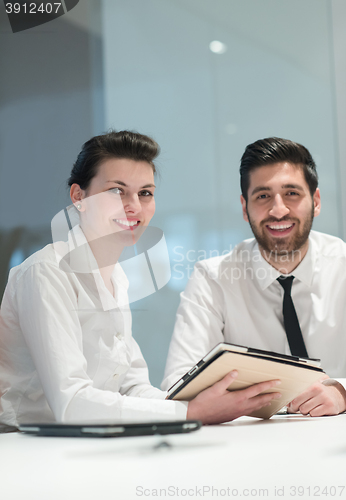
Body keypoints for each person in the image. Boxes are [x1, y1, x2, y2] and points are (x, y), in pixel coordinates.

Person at [0, 131, 281, 430]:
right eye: (116, 191)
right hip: (24, 446)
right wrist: (189, 412)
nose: (133, 206)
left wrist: (199, 403)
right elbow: (71, 403)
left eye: (145, 193)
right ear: (79, 197)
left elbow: (132, 387)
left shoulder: (117, 276)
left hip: (89, 440)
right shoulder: (47, 272)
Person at [162, 137, 346, 417]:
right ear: (244, 207)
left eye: (292, 193)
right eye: (262, 196)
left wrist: (342, 391)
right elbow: (178, 385)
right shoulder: (213, 279)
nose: (278, 210)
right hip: (249, 441)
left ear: (316, 201)